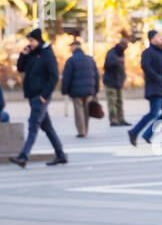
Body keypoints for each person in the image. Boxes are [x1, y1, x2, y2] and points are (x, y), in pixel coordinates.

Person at [8, 28, 67, 167]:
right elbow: (20, 68)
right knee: (47, 127)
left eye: (32, 41)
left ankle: (23, 156)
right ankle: (61, 154)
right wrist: (23, 55)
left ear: (38, 40)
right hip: (32, 95)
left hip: (40, 96)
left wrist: (44, 96)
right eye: (29, 41)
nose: (30, 43)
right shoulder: (32, 54)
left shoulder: (47, 54)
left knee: (33, 125)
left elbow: (53, 76)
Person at [128, 29, 162, 148]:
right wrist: (159, 78)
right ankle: (134, 132)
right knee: (153, 113)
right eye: (159, 36)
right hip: (155, 88)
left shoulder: (161, 52)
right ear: (152, 39)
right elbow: (146, 67)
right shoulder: (148, 52)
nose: (161, 38)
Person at [60, 38, 100, 138]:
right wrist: (96, 90)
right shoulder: (90, 59)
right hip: (89, 91)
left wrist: (64, 90)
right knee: (86, 110)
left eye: (70, 47)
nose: (70, 49)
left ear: (74, 47)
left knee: (78, 110)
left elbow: (67, 77)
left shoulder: (71, 60)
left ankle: (81, 131)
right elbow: (96, 75)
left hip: (76, 91)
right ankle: (85, 129)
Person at [102, 34, 129, 126]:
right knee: (112, 102)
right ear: (121, 44)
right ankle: (113, 120)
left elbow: (121, 68)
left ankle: (121, 119)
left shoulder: (121, 53)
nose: (126, 48)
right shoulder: (112, 53)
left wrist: (123, 77)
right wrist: (117, 61)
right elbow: (106, 66)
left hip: (118, 82)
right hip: (110, 82)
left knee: (119, 102)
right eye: (125, 46)